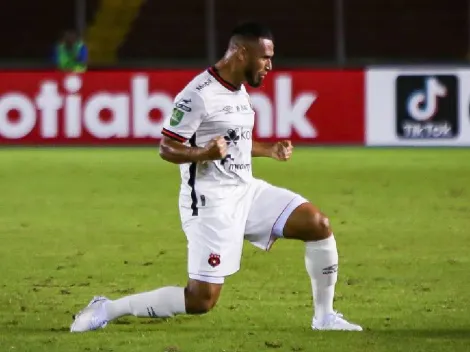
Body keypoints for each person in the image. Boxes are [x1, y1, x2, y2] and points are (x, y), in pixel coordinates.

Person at [70, 22, 362, 333]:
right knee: (201, 300)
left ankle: (324, 317)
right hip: (210, 203)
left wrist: (268, 149)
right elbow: (166, 147)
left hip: (246, 192)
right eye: (265, 58)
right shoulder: (198, 95)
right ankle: (109, 308)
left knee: (317, 224)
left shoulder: (239, 91)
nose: (270, 66)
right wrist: (202, 155)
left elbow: (234, 145)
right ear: (241, 53)